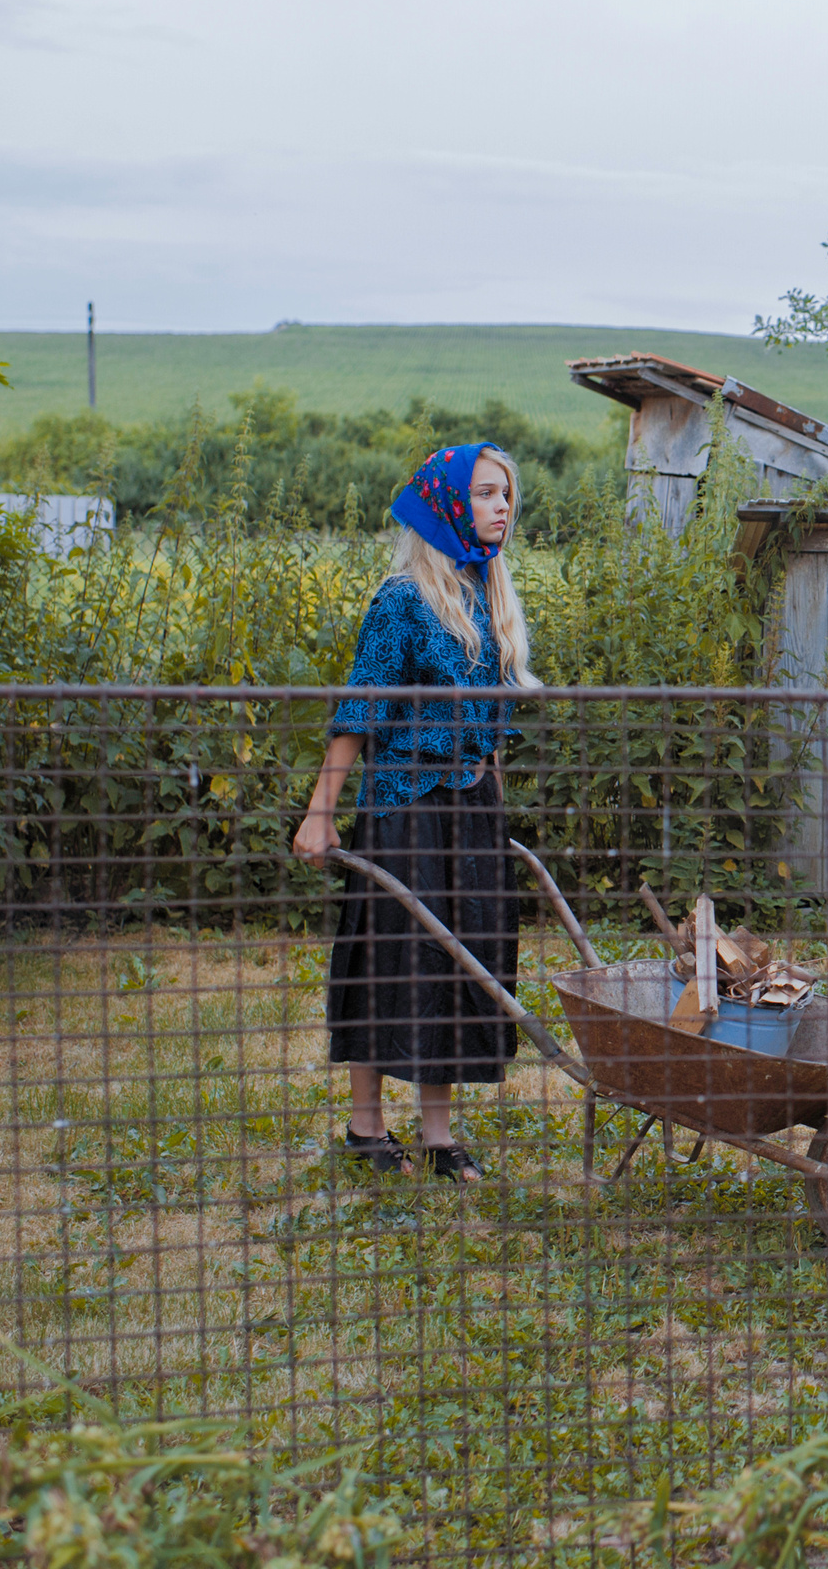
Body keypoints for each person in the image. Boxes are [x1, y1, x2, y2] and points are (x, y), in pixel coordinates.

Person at [292, 443, 541, 1181]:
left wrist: (492, 804)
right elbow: (360, 708)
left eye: (506, 495)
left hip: (472, 810)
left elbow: (494, 727)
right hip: (405, 804)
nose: (503, 507)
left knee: (460, 959)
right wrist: (321, 813)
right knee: (392, 960)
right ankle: (366, 1129)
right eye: (488, 493)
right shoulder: (402, 599)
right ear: (448, 503)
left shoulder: (486, 593)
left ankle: (439, 1137)